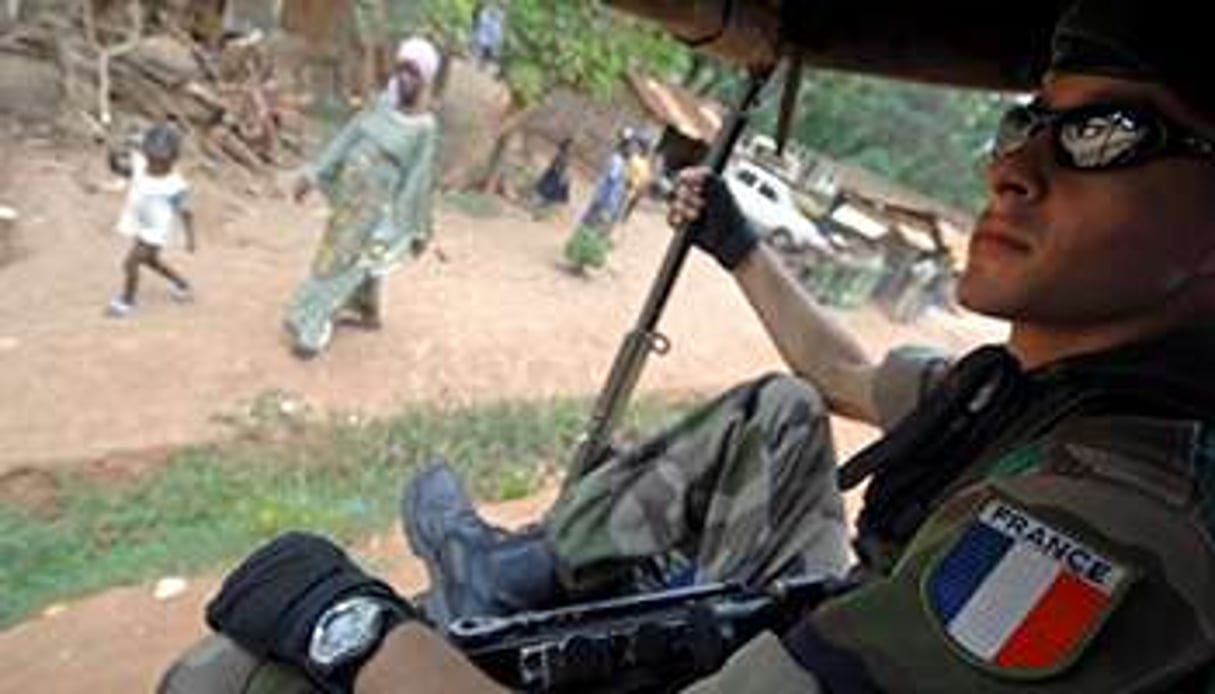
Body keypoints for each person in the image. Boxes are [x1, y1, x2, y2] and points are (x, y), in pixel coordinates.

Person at [162, 0, 1215, 690]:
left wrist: (350, 625)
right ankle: (511, 567)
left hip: (856, 640)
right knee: (783, 410)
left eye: (1102, 135)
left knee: (230, 675)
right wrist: (738, 244)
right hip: (840, 606)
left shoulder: (1116, 512)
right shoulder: (1041, 397)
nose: (1013, 172)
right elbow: (837, 373)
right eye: (1023, 127)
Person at [284, 37, 441, 359]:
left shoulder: (424, 127)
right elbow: (348, 137)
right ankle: (367, 309)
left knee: (352, 260)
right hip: (349, 197)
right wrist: (314, 173)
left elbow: (419, 178)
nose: (405, 79)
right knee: (335, 252)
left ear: (425, 80)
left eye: (413, 74)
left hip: (378, 206)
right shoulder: (380, 105)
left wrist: (415, 226)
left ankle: (312, 326)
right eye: (401, 70)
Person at [106, 123, 196, 318]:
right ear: (145, 152)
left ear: (173, 160)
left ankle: (126, 301)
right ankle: (183, 284)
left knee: (130, 263)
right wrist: (113, 156)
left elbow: (187, 212)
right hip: (140, 223)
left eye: (161, 162)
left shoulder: (174, 184)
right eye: (151, 158)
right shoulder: (140, 163)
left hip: (156, 230)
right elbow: (125, 171)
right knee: (151, 261)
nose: (154, 165)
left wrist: (190, 239)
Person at [532, 136, 573, 215]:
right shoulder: (561, 154)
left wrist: (566, 177)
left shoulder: (564, 155)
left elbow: (560, 166)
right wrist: (564, 178)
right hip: (555, 176)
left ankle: (564, 148)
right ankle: (564, 148)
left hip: (555, 175)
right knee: (561, 163)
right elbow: (556, 166)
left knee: (560, 162)